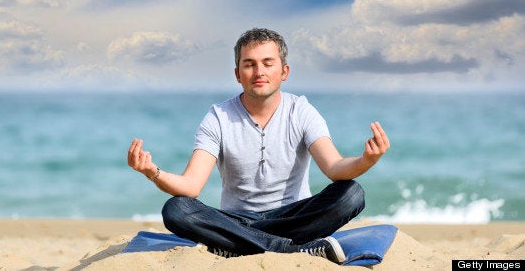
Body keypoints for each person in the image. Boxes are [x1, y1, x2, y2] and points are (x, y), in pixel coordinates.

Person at [127, 28, 390, 264]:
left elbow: (334, 168)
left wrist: (367, 160)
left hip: (293, 219)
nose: (259, 72)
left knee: (352, 194)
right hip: (237, 221)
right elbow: (191, 186)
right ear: (237, 74)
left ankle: (239, 247)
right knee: (176, 209)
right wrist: (153, 172)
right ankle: (288, 250)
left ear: (284, 72)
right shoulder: (218, 117)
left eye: (267, 63)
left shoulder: (302, 111)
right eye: (249, 64)